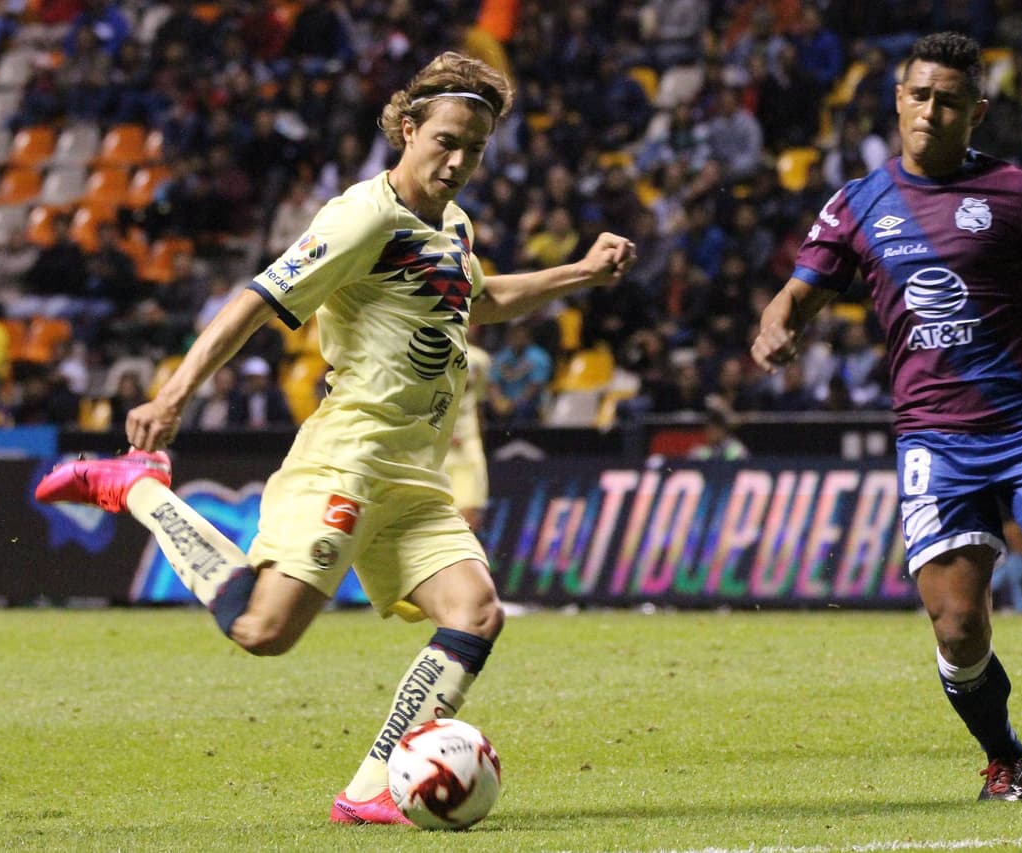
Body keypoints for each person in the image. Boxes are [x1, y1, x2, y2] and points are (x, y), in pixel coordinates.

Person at [36, 51, 635, 824]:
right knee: (262, 630)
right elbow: (255, 301)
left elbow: (480, 300)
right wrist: (175, 392)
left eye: (475, 150)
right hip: (350, 458)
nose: (458, 162)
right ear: (408, 128)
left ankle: (371, 788)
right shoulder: (364, 217)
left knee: (477, 612)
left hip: (415, 475)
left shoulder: (452, 223)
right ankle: (139, 486)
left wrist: (580, 272)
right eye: (446, 140)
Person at [751, 32, 1022, 803]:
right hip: (936, 438)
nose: (932, 110)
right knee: (959, 632)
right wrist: (778, 324)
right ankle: (1003, 752)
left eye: (950, 100)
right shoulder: (857, 202)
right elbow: (798, 292)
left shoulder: (1019, 193)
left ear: (977, 111)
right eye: (920, 95)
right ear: (898, 99)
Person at [445, 331, 491, 532]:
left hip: (468, 446)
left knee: (470, 516)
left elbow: (478, 403)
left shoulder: (480, 359)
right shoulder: (431, 350)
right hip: (433, 447)